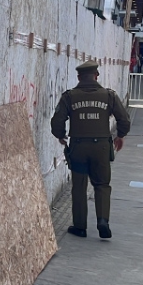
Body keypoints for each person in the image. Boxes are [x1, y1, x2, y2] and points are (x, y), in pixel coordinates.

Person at [50, 60, 131, 239]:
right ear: (96, 76)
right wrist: (120, 135)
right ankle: (103, 221)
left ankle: (80, 226)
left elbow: (57, 120)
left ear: (79, 77)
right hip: (101, 146)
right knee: (102, 184)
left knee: (79, 186)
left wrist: (60, 136)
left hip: (78, 146)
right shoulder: (109, 95)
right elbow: (123, 119)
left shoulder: (69, 96)